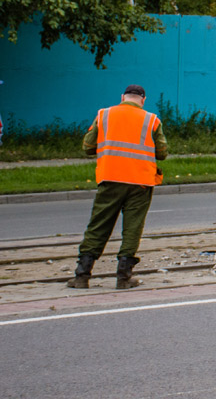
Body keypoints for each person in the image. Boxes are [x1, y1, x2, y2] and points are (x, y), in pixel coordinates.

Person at [67, 85, 167, 289]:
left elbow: (87, 146)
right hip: (141, 182)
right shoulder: (152, 120)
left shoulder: (104, 115)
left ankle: (82, 275)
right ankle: (123, 277)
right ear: (143, 100)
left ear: (122, 97)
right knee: (132, 229)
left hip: (110, 178)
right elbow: (162, 152)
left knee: (98, 226)